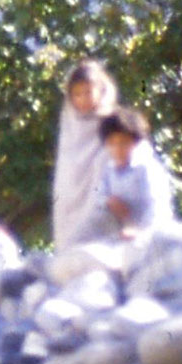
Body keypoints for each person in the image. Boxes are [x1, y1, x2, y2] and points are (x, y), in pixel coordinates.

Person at [52, 60, 120, 253]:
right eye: (77, 94)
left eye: (88, 92)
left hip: (105, 206)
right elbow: (66, 168)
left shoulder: (116, 123)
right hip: (70, 204)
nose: (83, 99)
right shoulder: (68, 123)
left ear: (101, 90)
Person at [93, 106, 176, 241]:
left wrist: (140, 232)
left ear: (135, 143)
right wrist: (109, 202)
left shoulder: (147, 169)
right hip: (119, 234)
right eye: (112, 143)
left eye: (124, 143)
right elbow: (98, 196)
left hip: (153, 235)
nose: (118, 149)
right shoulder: (108, 170)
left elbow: (157, 208)